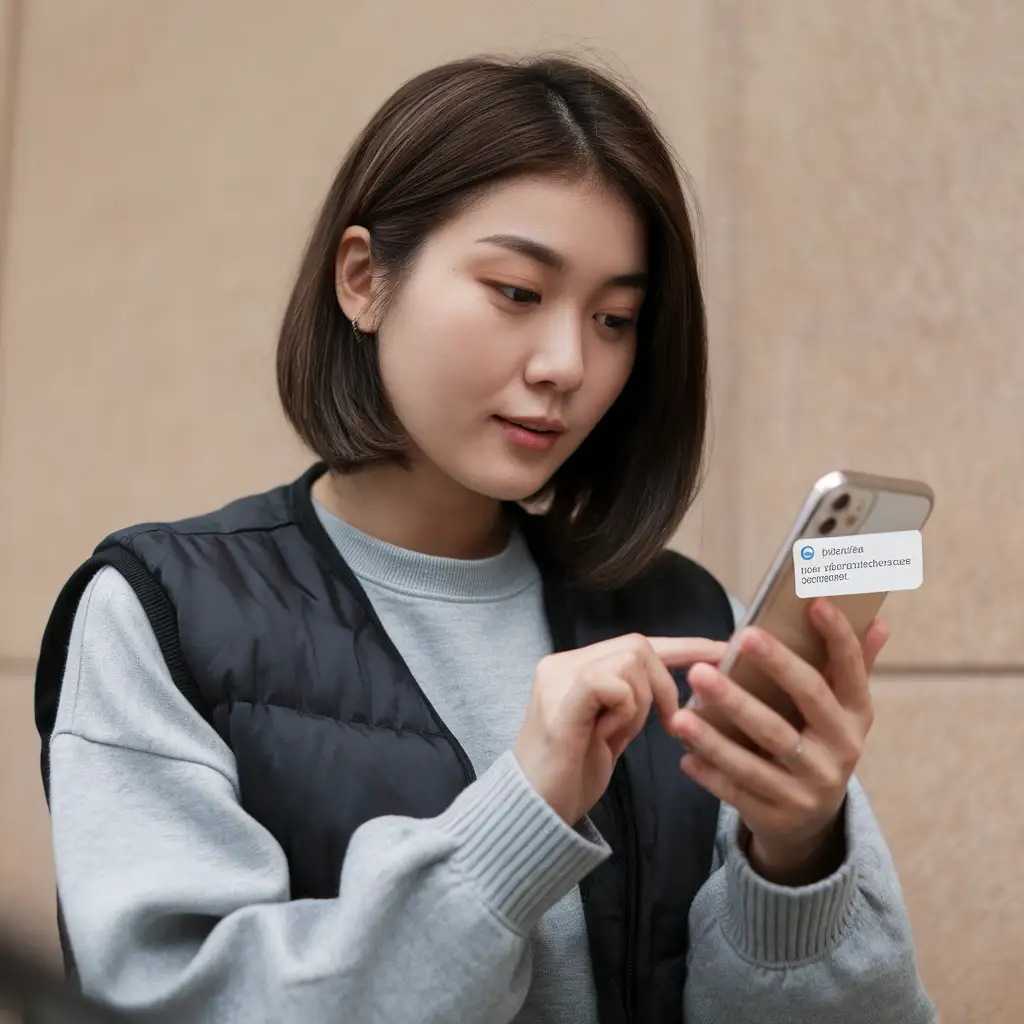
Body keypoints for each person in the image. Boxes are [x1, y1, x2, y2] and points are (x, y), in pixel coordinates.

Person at [34, 54, 936, 1024]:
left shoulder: (686, 617)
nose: (567, 364)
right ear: (362, 280)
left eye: (615, 318)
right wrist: (518, 823)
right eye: (516, 291)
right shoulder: (162, 611)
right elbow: (171, 1005)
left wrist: (795, 858)